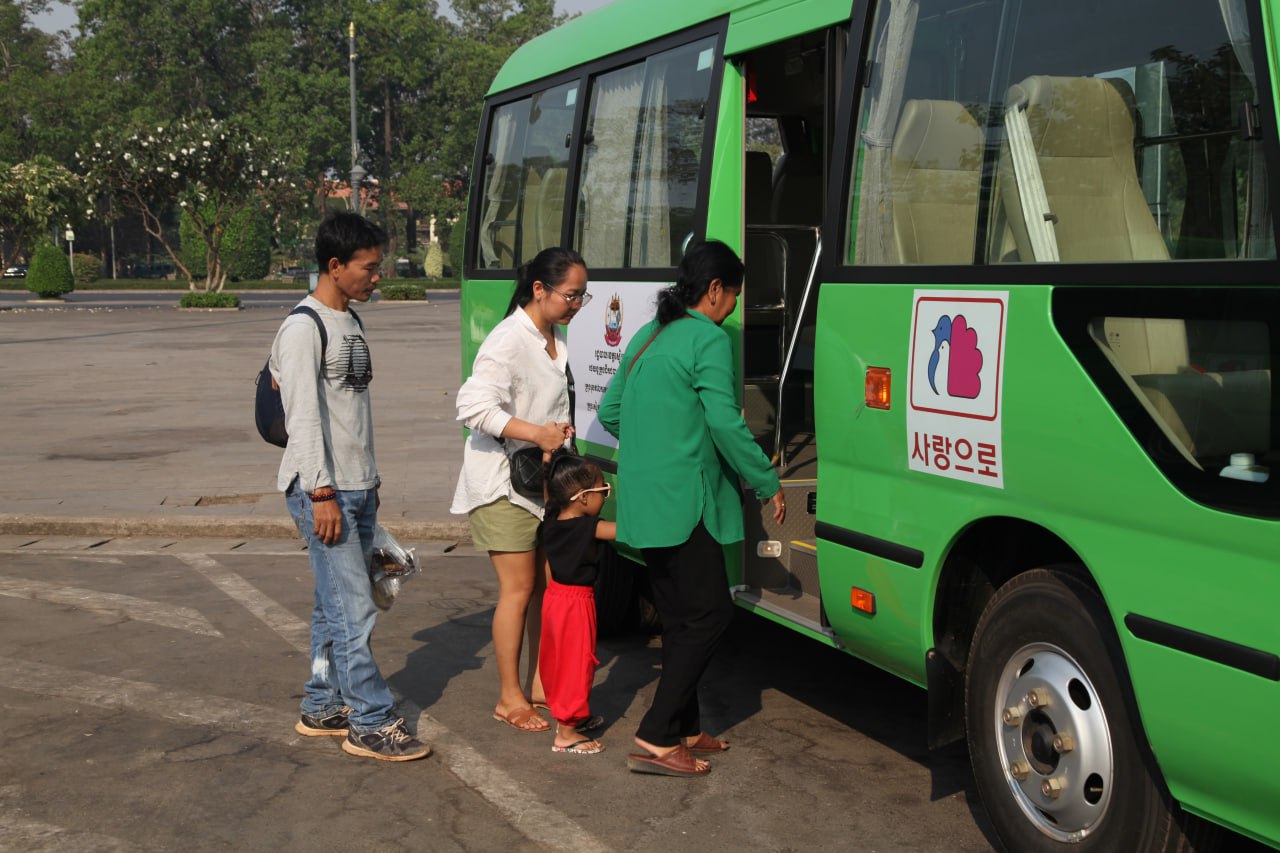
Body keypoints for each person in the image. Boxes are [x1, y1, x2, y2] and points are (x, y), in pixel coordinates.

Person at [598, 240, 786, 777]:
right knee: (710, 613)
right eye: (733, 297)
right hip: (685, 502)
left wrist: (656, 444)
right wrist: (765, 477)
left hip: (644, 495)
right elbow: (726, 423)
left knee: (681, 616)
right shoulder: (707, 337)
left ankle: (685, 725)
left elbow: (612, 410)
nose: (732, 309)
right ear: (714, 290)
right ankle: (656, 734)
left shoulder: (648, 333)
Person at [272, 212, 429, 761]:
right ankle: (371, 720)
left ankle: (321, 703)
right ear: (335, 266)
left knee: (331, 604)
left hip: (357, 486)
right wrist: (320, 493)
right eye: (368, 268)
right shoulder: (301, 328)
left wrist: (372, 481)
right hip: (323, 489)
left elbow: (352, 414)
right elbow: (304, 419)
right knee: (354, 609)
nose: (376, 277)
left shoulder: (352, 323)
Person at [451, 247, 589, 733]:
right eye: (571, 296)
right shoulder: (508, 339)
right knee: (519, 588)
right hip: (502, 483)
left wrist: (558, 434)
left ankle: (537, 683)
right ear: (539, 290)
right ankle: (509, 696)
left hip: (541, 484)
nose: (576, 305)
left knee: (545, 589)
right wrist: (538, 433)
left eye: (581, 297)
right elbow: (471, 407)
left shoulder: (553, 338)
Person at [538, 450, 616, 755]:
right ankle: (567, 733)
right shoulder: (589, 528)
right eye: (603, 490)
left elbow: (548, 495)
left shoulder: (552, 519)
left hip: (555, 597)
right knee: (576, 664)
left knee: (559, 661)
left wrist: (548, 464)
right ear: (582, 497)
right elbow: (628, 533)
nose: (606, 496)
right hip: (576, 602)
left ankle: (572, 718)